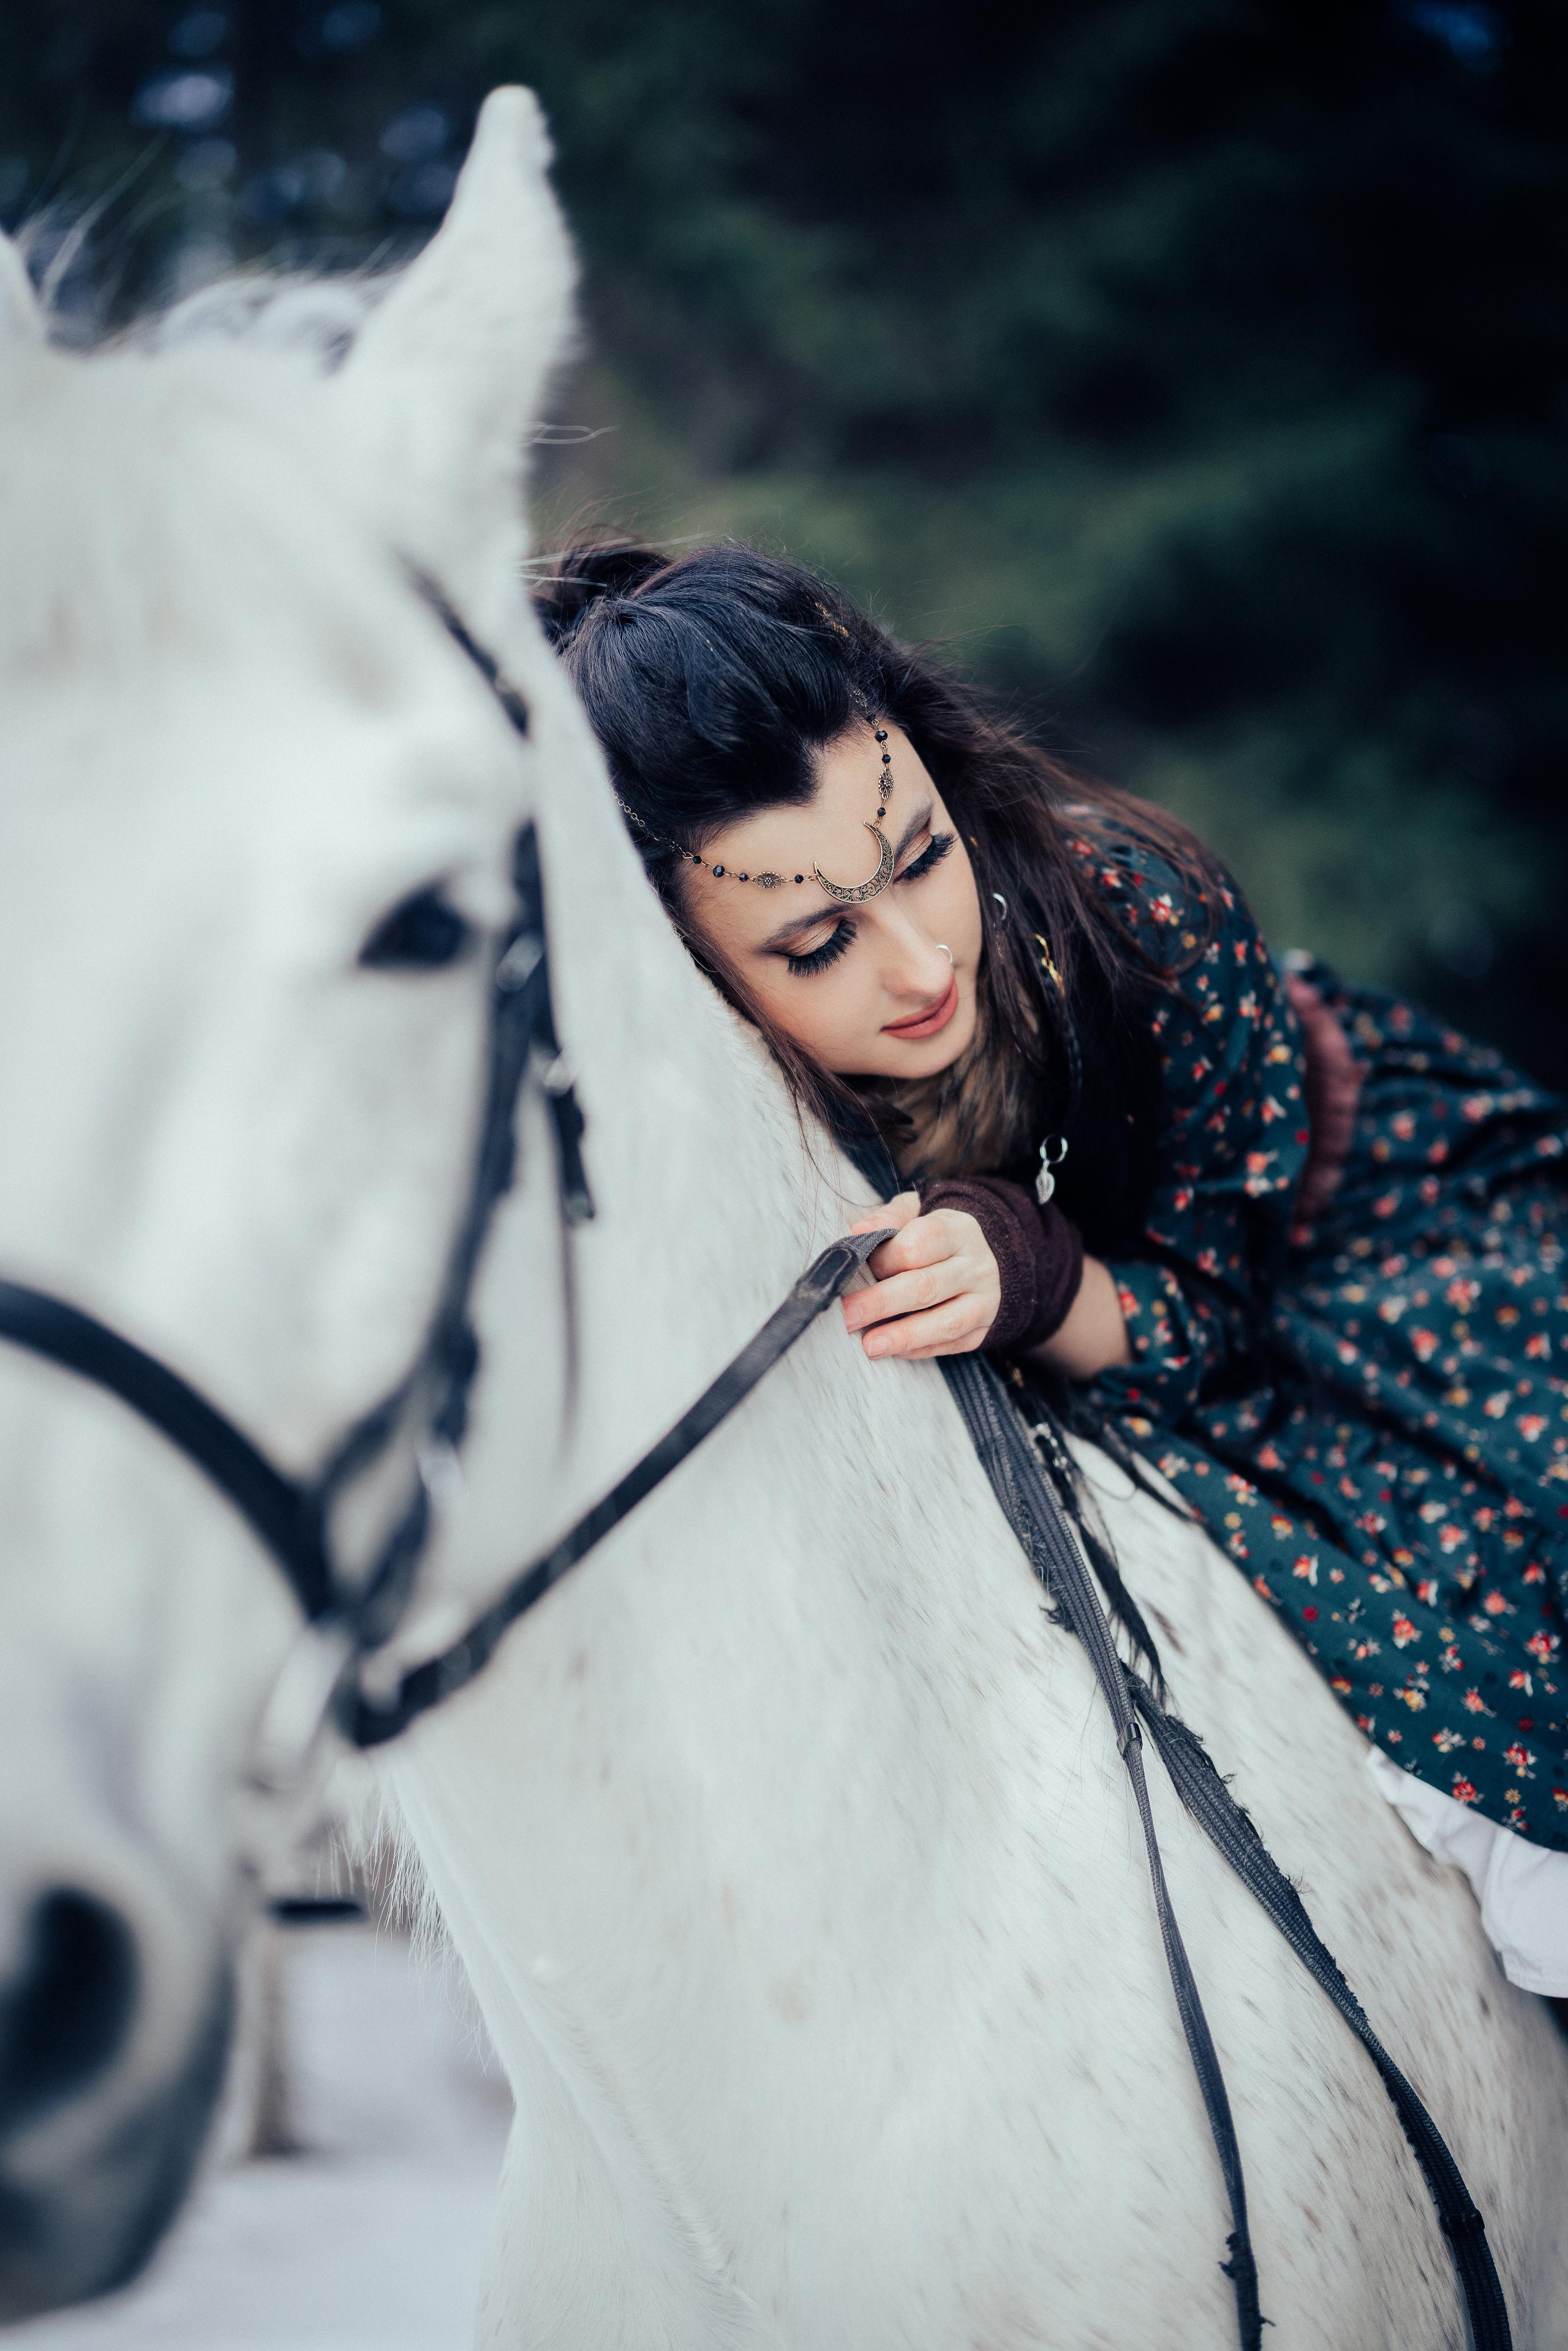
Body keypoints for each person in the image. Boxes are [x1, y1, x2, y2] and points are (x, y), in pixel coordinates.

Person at [536, 540, 1568, 1997]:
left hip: (1326, 1243)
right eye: (820, 938)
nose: (914, 964)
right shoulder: (683, 1096)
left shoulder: (1129, 908)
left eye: (922, 858)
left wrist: (1028, 1276)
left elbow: (1214, 1321)